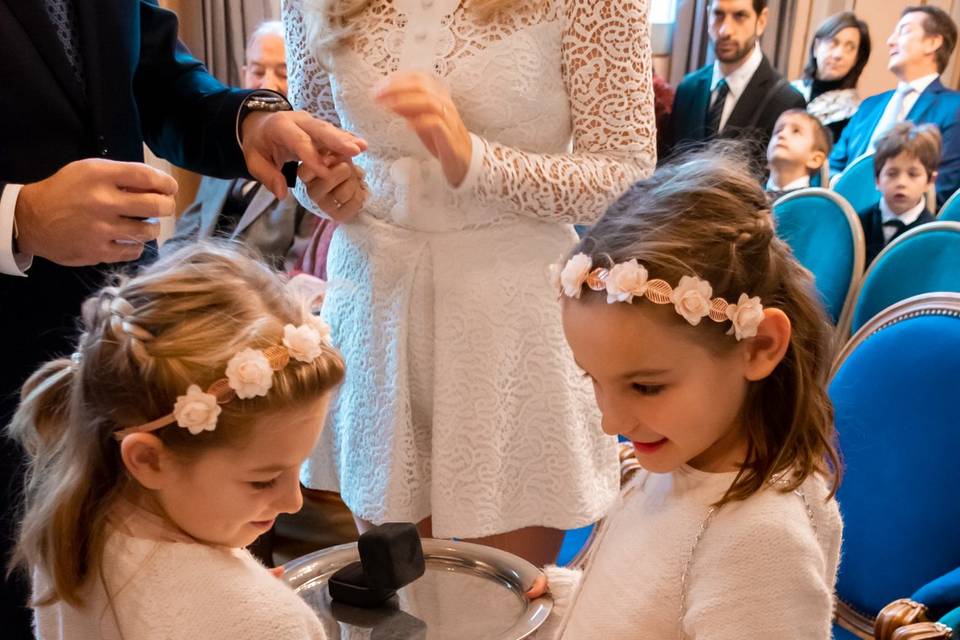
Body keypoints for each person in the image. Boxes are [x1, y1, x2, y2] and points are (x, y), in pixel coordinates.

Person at [0, 3, 363, 629]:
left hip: (118, 362)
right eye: (266, 482)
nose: (292, 500)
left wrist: (246, 121)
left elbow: (149, 70)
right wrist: (17, 216)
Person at [283, 0, 657, 566]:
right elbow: (306, 136)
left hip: (507, 319)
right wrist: (319, 184)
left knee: (501, 604)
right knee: (398, 598)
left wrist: (477, 161)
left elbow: (626, 173)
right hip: (376, 304)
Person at [529, 148, 843, 639]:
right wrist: (569, 596)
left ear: (758, 346)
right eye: (593, 379)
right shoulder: (683, 455)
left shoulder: (760, 543)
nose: (611, 422)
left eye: (645, 386)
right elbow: (662, 601)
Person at [7, 243, 344, 639]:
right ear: (149, 460)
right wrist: (250, 609)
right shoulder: (270, 623)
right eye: (263, 480)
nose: (294, 501)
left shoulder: (71, 530)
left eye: (299, 468)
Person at [164, 21, 356, 272]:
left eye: (282, 74)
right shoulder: (223, 143)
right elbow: (187, 232)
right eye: (257, 71)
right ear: (244, 73)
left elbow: (298, 269)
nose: (267, 85)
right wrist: (157, 277)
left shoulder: (315, 163)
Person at [829, 6, 960, 206]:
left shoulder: (954, 108)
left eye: (904, 31)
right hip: (842, 216)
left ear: (933, 42)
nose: (890, 41)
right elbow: (834, 167)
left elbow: (942, 188)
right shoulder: (869, 107)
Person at [666, 0, 805, 169]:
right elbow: (669, 162)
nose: (725, 30)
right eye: (718, 15)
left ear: (761, 21)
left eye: (739, 16)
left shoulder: (786, 101)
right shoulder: (688, 88)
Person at [859, 122, 940, 265]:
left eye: (913, 174)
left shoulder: (934, 235)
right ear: (877, 180)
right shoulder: (858, 223)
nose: (901, 182)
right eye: (892, 174)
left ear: (930, 181)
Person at [791, 12, 871, 142]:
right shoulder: (789, 91)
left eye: (850, 48)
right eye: (833, 43)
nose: (838, 54)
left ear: (857, 59)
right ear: (816, 47)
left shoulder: (854, 114)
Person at [766, 109, 832, 199]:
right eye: (778, 130)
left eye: (796, 131)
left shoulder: (814, 206)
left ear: (815, 159)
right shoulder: (750, 197)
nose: (782, 134)